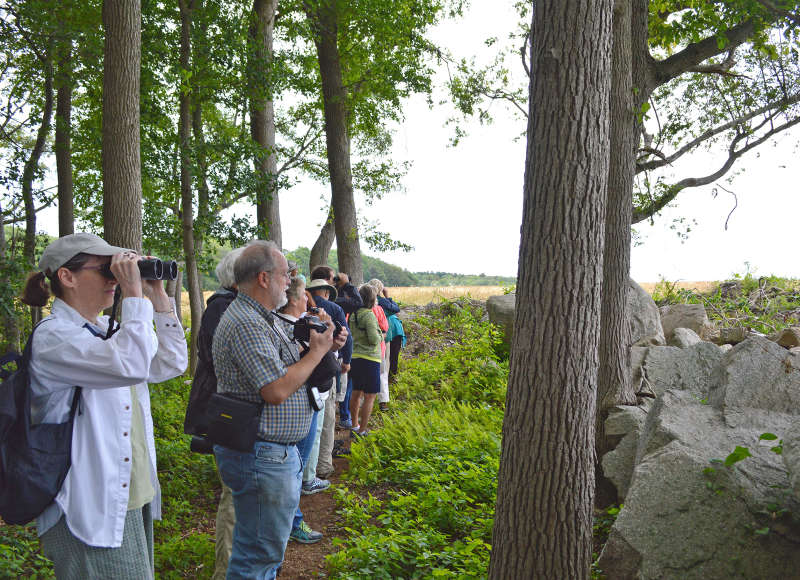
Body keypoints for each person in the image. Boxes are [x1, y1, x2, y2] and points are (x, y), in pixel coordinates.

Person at [20, 233, 188, 580]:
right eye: (106, 271)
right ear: (67, 277)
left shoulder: (103, 329)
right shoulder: (55, 336)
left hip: (128, 492)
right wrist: (134, 299)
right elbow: (132, 365)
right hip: (88, 502)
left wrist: (157, 296)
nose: (116, 279)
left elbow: (170, 363)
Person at [212, 241, 346, 579]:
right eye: (285, 274)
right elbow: (276, 389)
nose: (289, 281)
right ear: (263, 278)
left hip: (270, 455)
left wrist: (325, 343)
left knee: (263, 552)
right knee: (258, 556)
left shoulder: (264, 319)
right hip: (261, 455)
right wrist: (316, 354)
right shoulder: (246, 323)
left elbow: (290, 364)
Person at [182, 247, 243, 580]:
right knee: (233, 492)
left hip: (230, 410)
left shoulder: (229, 305)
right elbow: (223, 362)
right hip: (227, 412)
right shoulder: (222, 307)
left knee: (238, 492)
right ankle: (227, 572)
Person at [275, 277, 325, 545]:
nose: (308, 301)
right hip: (293, 408)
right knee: (295, 469)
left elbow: (323, 367)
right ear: (293, 299)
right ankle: (291, 523)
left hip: (308, 402)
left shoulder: (303, 324)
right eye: (304, 296)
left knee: (296, 468)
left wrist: (331, 337)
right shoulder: (285, 328)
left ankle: (290, 521)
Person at [305, 278, 351, 481]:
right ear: (325, 291)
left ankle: (306, 469)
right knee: (327, 417)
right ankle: (323, 465)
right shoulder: (333, 307)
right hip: (326, 367)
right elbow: (345, 336)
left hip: (305, 369)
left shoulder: (304, 307)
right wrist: (346, 361)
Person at [348, 284, 383, 436]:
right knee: (370, 395)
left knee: (355, 393)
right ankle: (362, 430)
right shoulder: (369, 315)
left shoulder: (353, 314)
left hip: (355, 357)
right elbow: (374, 340)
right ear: (371, 298)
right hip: (370, 359)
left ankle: (354, 425)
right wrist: (381, 334)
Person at [367, 279, 399, 411]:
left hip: (361, 346)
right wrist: (387, 295)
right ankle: (383, 401)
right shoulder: (380, 306)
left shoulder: (360, 307)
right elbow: (396, 309)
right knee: (382, 370)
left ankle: (365, 399)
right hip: (381, 342)